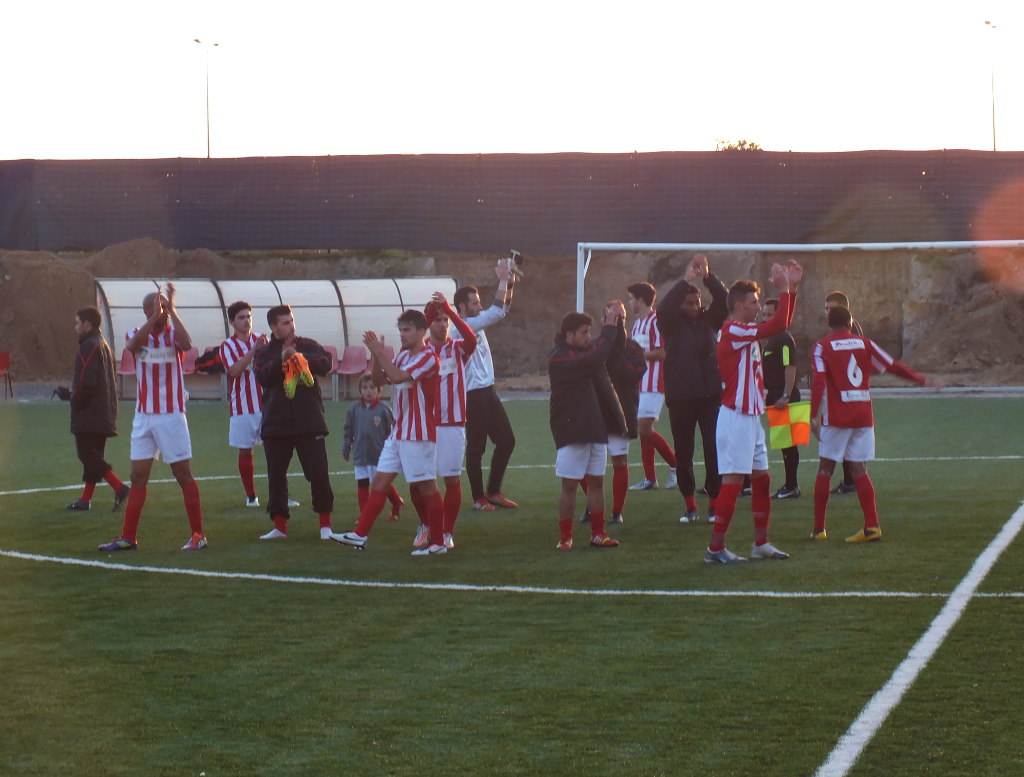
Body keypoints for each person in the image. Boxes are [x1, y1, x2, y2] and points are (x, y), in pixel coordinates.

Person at [809, 304, 941, 542]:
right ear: (850, 323)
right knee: (859, 469)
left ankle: (819, 529)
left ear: (829, 325)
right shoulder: (865, 344)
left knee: (825, 468)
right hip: (863, 414)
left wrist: (812, 415)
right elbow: (892, 365)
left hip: (837, 416)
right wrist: (921, 379)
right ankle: (872, 526)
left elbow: (818, 380)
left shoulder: (822, 346)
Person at [704, 260, 803, 564]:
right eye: (754, 302)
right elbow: (778, 325)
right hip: (736, 418)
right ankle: (715, 549)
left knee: (762, 480)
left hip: (750, 418)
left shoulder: (744, 329)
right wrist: (785, 289)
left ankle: (760, 542)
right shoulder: (733, 330)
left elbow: (780, 324)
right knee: (733, 483)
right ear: (737, 306)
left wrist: (792, 289)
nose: (759, 307)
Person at [98, 283, 206, 551]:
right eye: (158, 308)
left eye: (164, 308)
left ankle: (198, 535)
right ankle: (128, 537)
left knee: (182, 474)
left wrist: (172, 309)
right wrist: (154, 315)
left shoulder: (173, 335)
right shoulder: (137, 333)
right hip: (144, 416)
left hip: (171, 415)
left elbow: (187, 344)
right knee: (137, 476)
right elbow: (132, 346)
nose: (163, 313)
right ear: (147, 311)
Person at [331, 309, 446, 556]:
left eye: (407, 330)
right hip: (398, 432)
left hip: (418, 433)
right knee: (380, 482)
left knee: (427, 487)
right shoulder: (403, 355)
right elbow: (379, 381)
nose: (402, 334)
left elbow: (398, 376)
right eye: (400, 330)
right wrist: (375, 356)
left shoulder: (429, 358)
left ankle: (438, 543)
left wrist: (381, 353)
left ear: (421, 331)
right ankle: (359, 534)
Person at [656, 253, 728, 525]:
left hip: (710, 396)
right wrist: (686, 280)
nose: (695, 306)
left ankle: (714, 505)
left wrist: (707, 277)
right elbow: (664, 308)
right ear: (681, 305)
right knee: (684, 452)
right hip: (681, 398)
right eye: (689, 303)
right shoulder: (671, 324)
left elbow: (724, 300)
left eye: (697, 302)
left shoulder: (709, 321)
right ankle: (690, 506)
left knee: (714, 450)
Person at [252, 304, 335, 540]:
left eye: (292, 321)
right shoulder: (264, 352)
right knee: (276, 476)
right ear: (273, 327)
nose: (291, 326)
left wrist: (298, 357)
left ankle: (326, 527)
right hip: (276, 423)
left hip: (309, 421)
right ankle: (280, 527)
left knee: (318, 474)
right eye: (285, 322)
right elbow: (262, 376)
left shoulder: (307, 344)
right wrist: (282, 359)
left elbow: (326, 363)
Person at [548, 306, 627, 550]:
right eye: (584, 332)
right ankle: (565, 537)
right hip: (572, 428)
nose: (588, 337)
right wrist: (609, 328)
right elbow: (596, 355)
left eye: (590, 332)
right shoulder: (559, 356)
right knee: (570, 485)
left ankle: (598, 533)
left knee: (597, 483)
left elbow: (612, 349)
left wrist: (618, 324)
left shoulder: (587, 351)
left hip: (594, 426)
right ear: (569, 334)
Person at [453, 259, 518, 512]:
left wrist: (509, 282)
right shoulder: (460, 327)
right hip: (472, 394)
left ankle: (492, 492)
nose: (480, 307)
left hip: (487, 391)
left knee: (507, 441)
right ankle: (478, 498)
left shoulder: (475, 320)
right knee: (476, 448)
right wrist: (503, 280)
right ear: (461, 307)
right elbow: (496, 311)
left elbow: (502, 309)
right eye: (475, 303)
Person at [418, 292, 478, 550]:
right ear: (429, 323)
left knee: (451, 479)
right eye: (438, 320)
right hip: (424, 425)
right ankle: (426, 525)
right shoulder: (420, 351)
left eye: (446, 320)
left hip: (453, 424)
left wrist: (451, 310)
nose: (443, 324)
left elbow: (472, 339)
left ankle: (446, 532)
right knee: (420, 480)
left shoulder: (457, 348)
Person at [63, 307, 130, 512]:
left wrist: (73, 398)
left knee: (87, 455)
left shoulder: (88, 346)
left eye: (77, 323)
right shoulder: (103, 344)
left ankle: (120, 488)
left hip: (89, 412)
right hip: (104, 411)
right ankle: (85, 500)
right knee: (94, 456)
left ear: (87, 324)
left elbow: (87, 383)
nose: (75, 327)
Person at [626, 282, 677, 491]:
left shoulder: (656, 321)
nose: (629, 302)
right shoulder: (637, 324)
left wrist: (638, 357)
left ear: (640, 300)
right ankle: (650, 478)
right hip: (640, 383)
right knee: (644, 431)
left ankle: (676, 465)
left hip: (655, 383)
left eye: (631, 298)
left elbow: (663, 351)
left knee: (643, 428)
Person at [220, 300, 268, 507]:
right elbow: (234, 371)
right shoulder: (227, 346)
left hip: (267, 405)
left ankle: (281, 494)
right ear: (232, 322)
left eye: (249, 316)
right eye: (241, 317)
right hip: (242, 407)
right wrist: (254, 351)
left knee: (277, 450)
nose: (247, 321)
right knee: (246, 451)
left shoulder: (262, 340)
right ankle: (251, 496)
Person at [342, 374, 404, 522]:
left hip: (379, 455)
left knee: (381, 484)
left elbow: (392, 432)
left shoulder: (384, 410)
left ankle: (397, 502)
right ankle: (364, 517)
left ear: (379, 390)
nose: (368, 391)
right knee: (362, 484)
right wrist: (346, 446)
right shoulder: (353, 410)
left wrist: (395, 451)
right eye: (364, 388)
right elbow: (348, 430)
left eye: (372, 387)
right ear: (360, 390)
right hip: (360, 455)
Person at [760, 298, 802, 499]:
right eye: (764, 314)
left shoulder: (783, 338)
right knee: (783, 442)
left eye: (770, 315)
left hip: (784, 397)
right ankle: (789, 485)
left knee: (788, 443)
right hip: (774, 396)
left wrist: (786, 395)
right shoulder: (770, 338)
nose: (765, 318)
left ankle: (792, 486)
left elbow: (790, 367)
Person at [824, 290, 864, 495]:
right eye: (826, 308)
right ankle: (851, 481)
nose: (827, 312)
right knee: (849, 442)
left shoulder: (850, 331)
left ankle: (851, 482)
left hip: (848, 395)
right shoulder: (849, 329)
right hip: (848, 394)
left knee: (846, 442)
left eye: (830, 308)